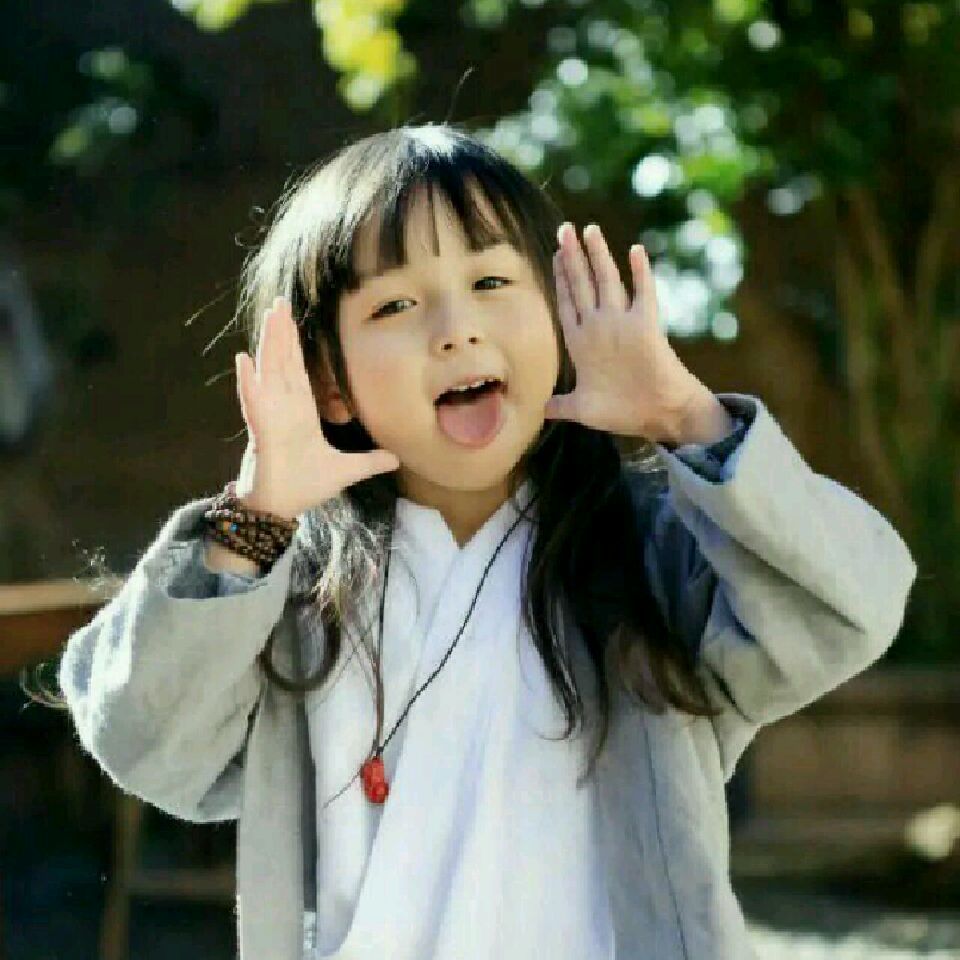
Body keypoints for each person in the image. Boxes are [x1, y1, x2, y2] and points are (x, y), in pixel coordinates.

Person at [55, 123, 918, 960]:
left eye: (492, 282)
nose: (456, 328)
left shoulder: (653, 554)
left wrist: (683, 416)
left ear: (559, 319)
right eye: (396, 303)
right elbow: (143, 739)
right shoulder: (288, 590)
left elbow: (851, 609)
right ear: (329, 382)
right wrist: (256, 520)